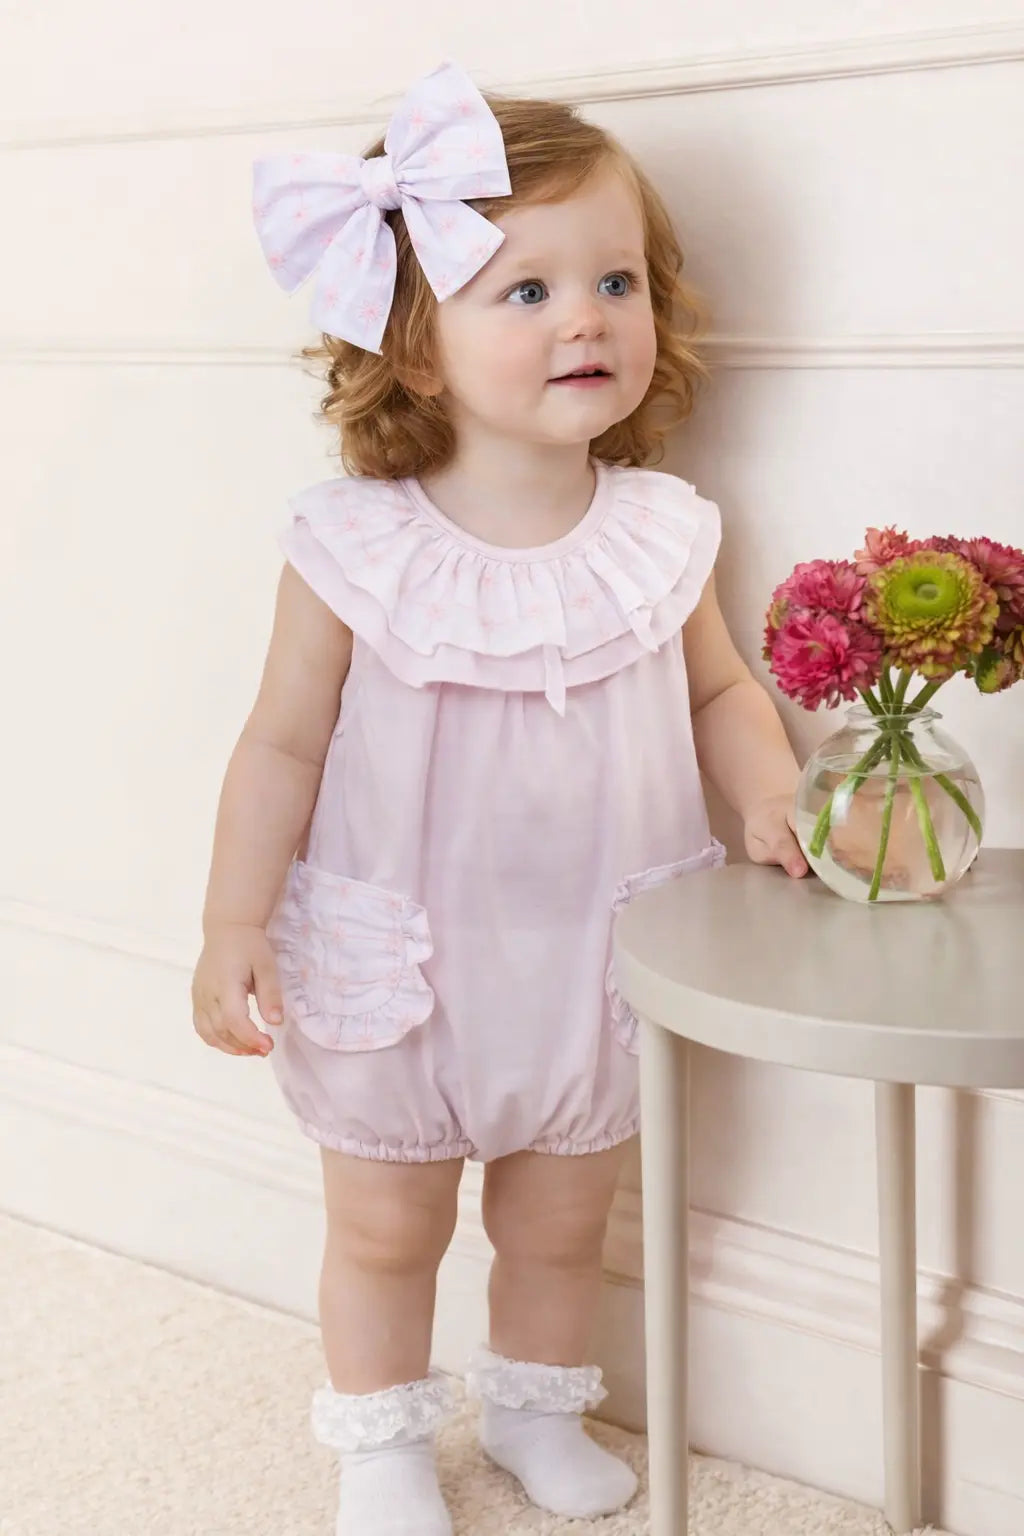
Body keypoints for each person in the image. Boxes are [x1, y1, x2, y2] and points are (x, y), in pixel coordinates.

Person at [191, 60, 808, 1536]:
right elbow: (280, 743)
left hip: (594, 952)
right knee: (389, 1221)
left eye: (613, 280)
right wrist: (230, 921)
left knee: (559, 1221)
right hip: (405, 952)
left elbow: (722, 694)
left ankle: (539, 1407)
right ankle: (386, 1442)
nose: (585, 315)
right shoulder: (355, 546)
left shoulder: (659, 535)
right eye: (523, 292)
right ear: (414, 351)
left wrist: (772, 786)